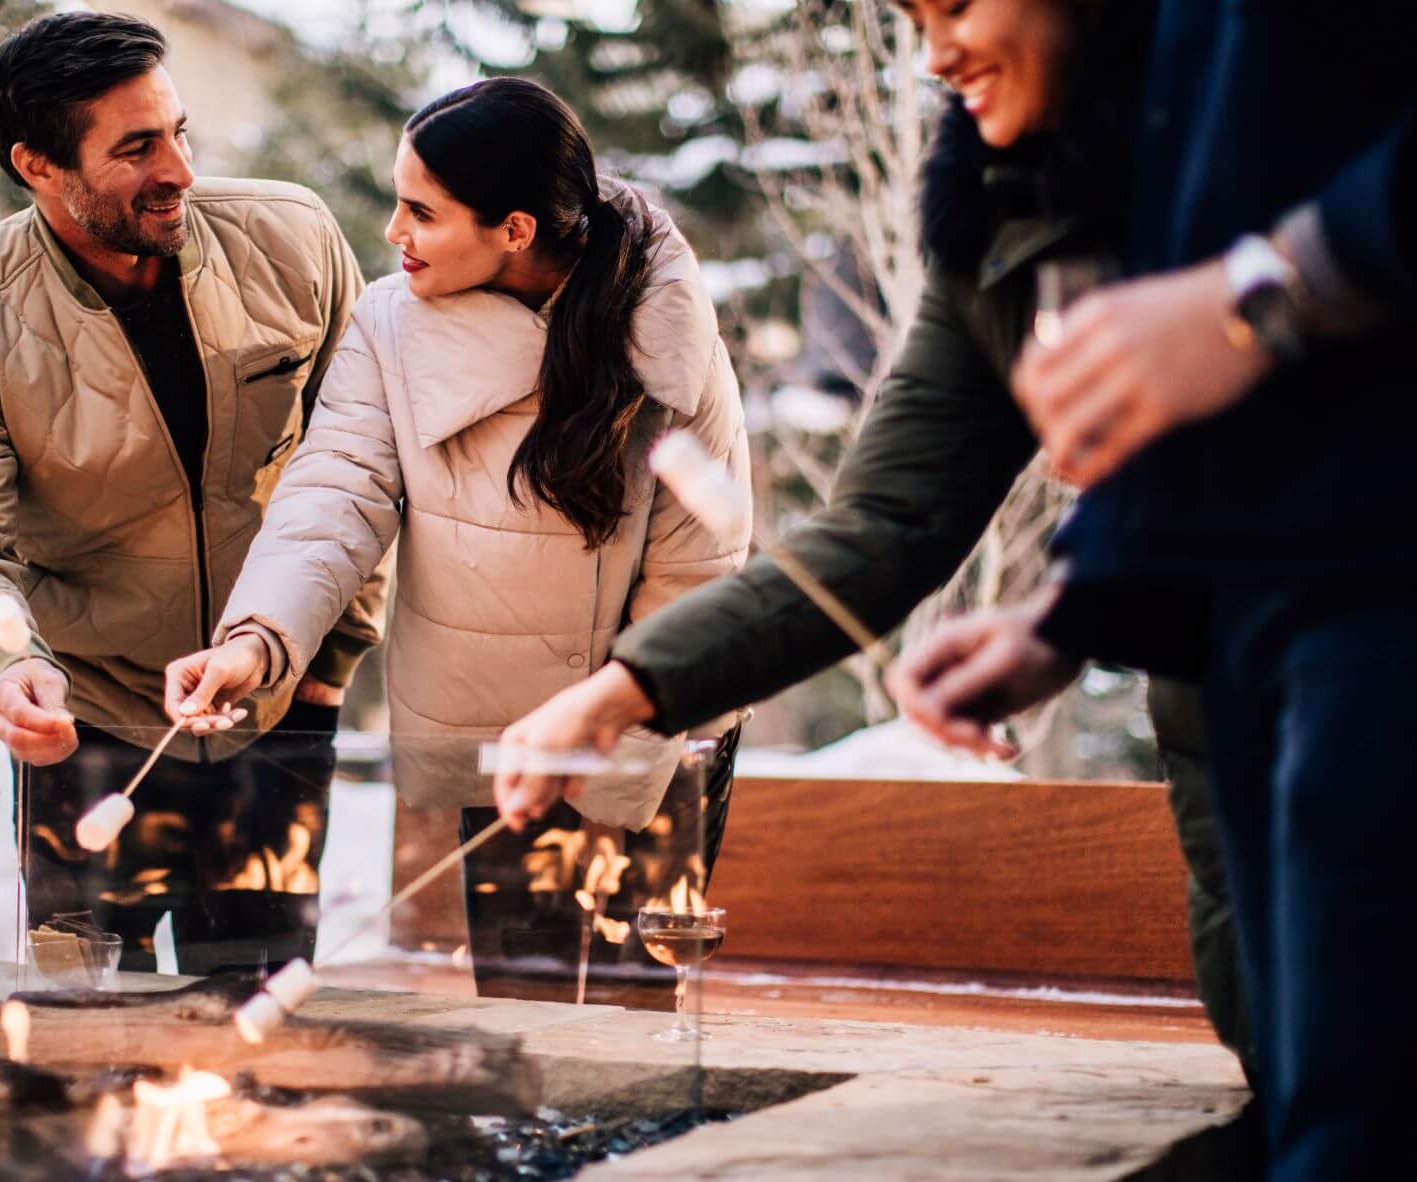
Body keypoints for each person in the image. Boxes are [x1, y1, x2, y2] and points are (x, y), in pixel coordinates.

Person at [488, 0, 1254, 1074]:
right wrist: (623, 692)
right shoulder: (992, 223)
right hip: (1224, 756)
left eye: (957, 7)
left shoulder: (1294, 148)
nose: (936, 54)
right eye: (912, 16)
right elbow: (882, 524)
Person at [886, 3, 1416, 1178]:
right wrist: (1079, 606)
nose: (934, 53)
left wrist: (1272, 289)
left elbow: (1233, 302)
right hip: (1274, 637)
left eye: (953, 8)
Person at [163, 78, 750, 1001]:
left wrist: (617, 740)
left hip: (653, 730)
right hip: (501, 727)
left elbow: (700, 564)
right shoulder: (388, 323)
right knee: (525, 1021)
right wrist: (257, 640)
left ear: (513, 229)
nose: (393, 232)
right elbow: (334, 491)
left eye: (421, 212)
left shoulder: (668, 334)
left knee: (639, 1026)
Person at [0, 12, 387, 976]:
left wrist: (332, 660)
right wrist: (1, 663)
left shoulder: (296, 238)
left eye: (179, 132)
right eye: (138, 148)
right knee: (86, 1031)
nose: (181, 170)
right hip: (87, 730)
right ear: (39, 166)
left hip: (271, 711)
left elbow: (360, 460)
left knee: (260, 1026)